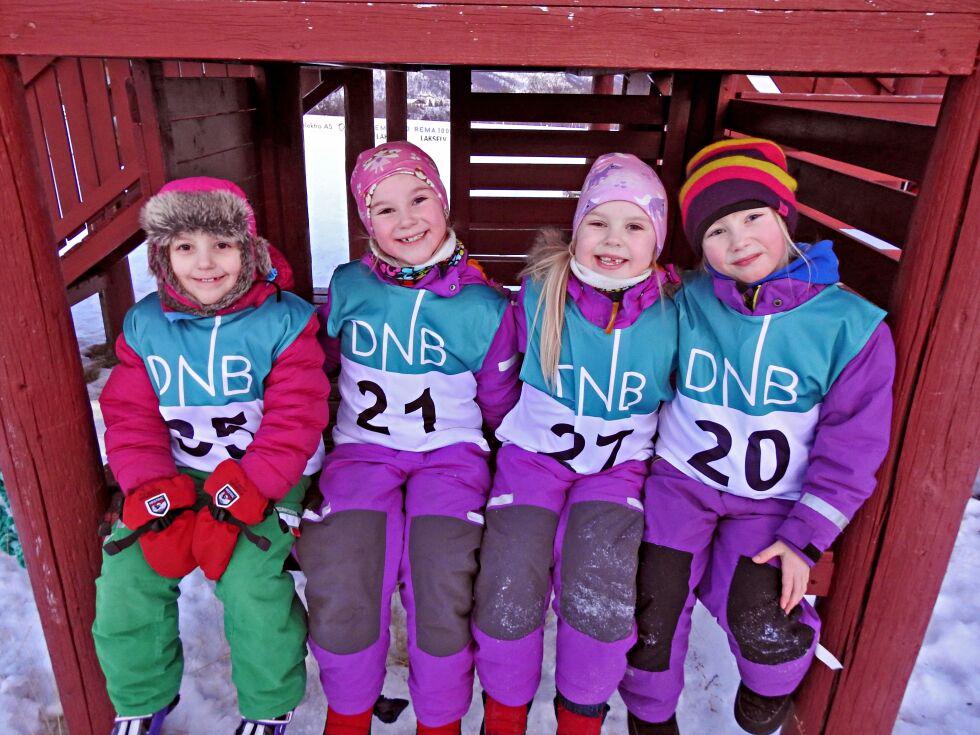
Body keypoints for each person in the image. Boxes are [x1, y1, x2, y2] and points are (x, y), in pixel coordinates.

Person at [619, 138, 896, 735]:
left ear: (785, 217)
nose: (738, 240)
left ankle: (770, 689)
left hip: (772, 506)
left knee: (762, 617)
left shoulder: (848, 326)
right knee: (652, 607)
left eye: (752, 217)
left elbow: (853, 449)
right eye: (716, 230)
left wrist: (806, 538)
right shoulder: (687, 299)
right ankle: (649, 715)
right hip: (679, 486)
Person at [297, 141, 520, 735]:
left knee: (442, 573)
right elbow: (322, 365)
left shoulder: (483, 305)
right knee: (342, 564)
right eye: (384, 209)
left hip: (449, 458)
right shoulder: (350, 286)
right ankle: (347, 715)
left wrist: (512, 466)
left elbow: (500, 403)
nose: (407, 220)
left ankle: (439, 720)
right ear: (367, 222)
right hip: (360, 451)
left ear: (442, 202)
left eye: (419, 198)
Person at [92, 176, 329, 735]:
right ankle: (141, 697)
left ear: (247, 249)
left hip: (268, 474)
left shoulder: (283, 321)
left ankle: (269, 702)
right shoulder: (146, 325)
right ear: (162, 255)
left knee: (250, 579)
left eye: (221, 244)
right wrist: (148, 485)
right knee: (127, 571)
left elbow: (296, 416)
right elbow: (131, 415)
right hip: (177, 474)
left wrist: (257, 486)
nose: (204, 263)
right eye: (185, 247)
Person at [472, 153, 679, 735]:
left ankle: (581, 717)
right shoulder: (542, 291)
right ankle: (505, 715)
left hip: (616, 472)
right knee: (511, 577)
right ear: (577, 227)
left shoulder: (673, 308)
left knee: (601, 586)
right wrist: (506, 426)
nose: (614, 241)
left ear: (657, 238)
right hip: (533, 461)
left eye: (635, 226)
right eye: (598, 223)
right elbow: (498, 373)